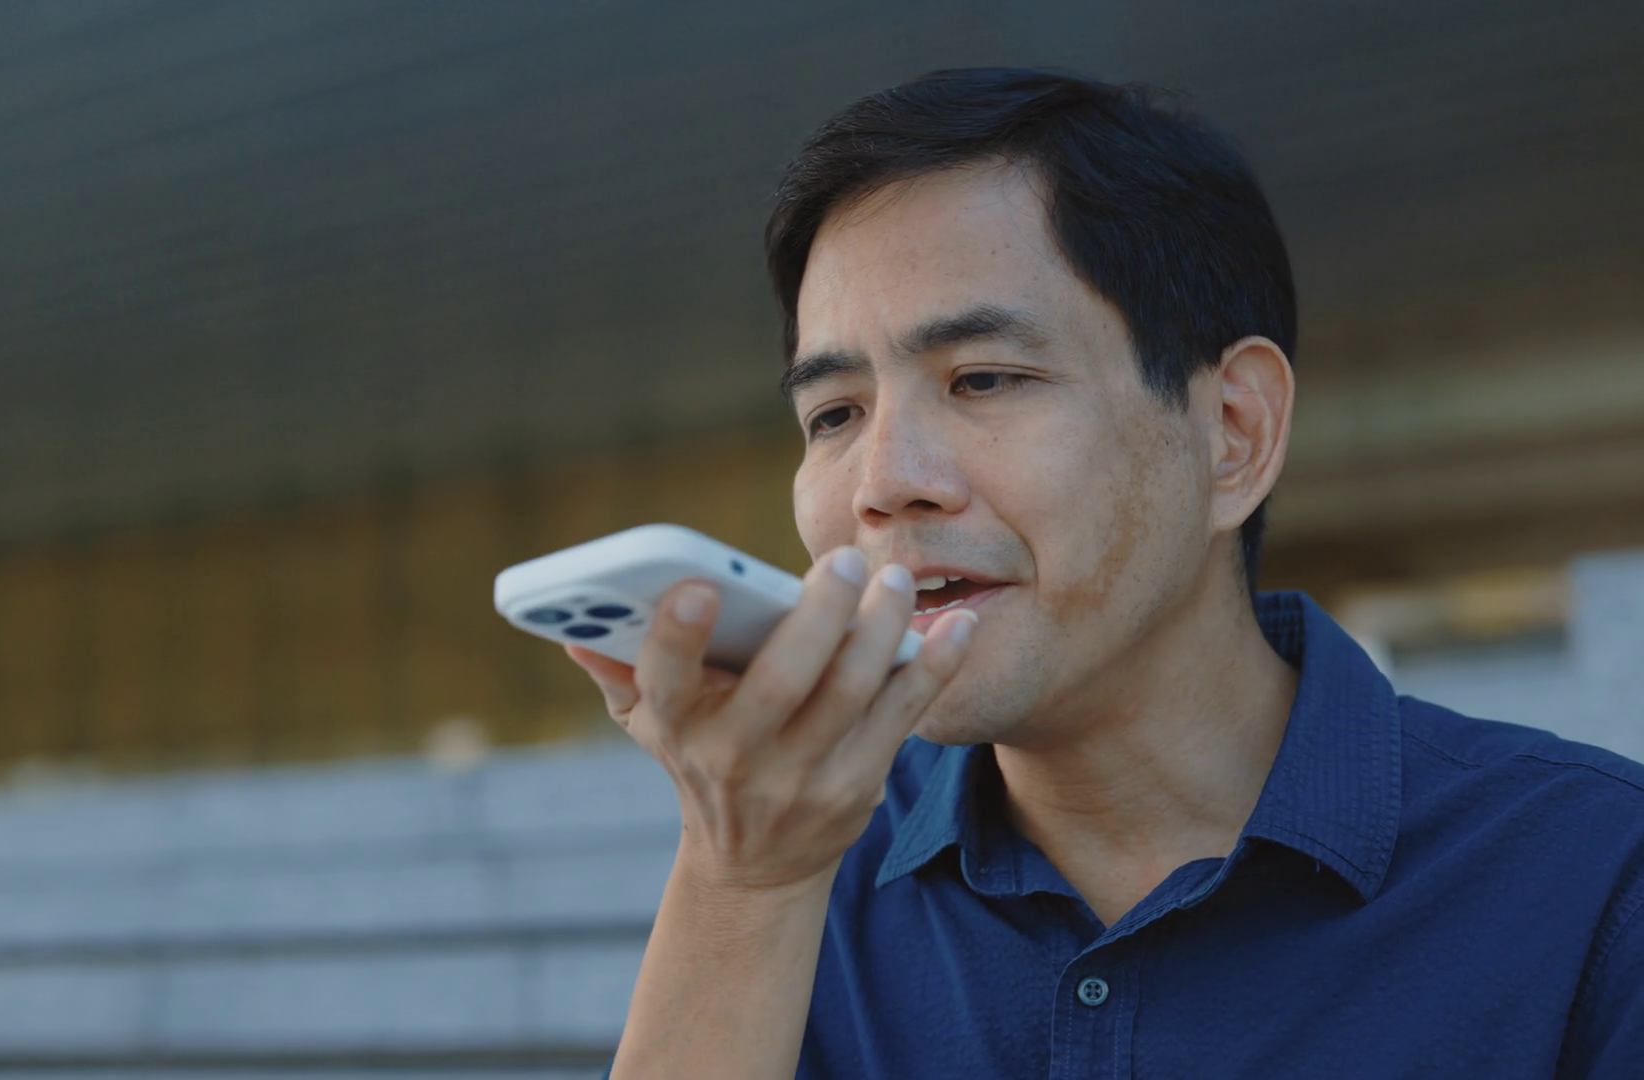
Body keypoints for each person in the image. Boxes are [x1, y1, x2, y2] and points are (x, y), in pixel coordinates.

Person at [567, 68, 1644, 1079]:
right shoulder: (802, 866)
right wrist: (741, 880)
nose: (884, 483)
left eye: (983, 379)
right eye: (835, 413)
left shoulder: (1592, 881)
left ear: (1233, 433)